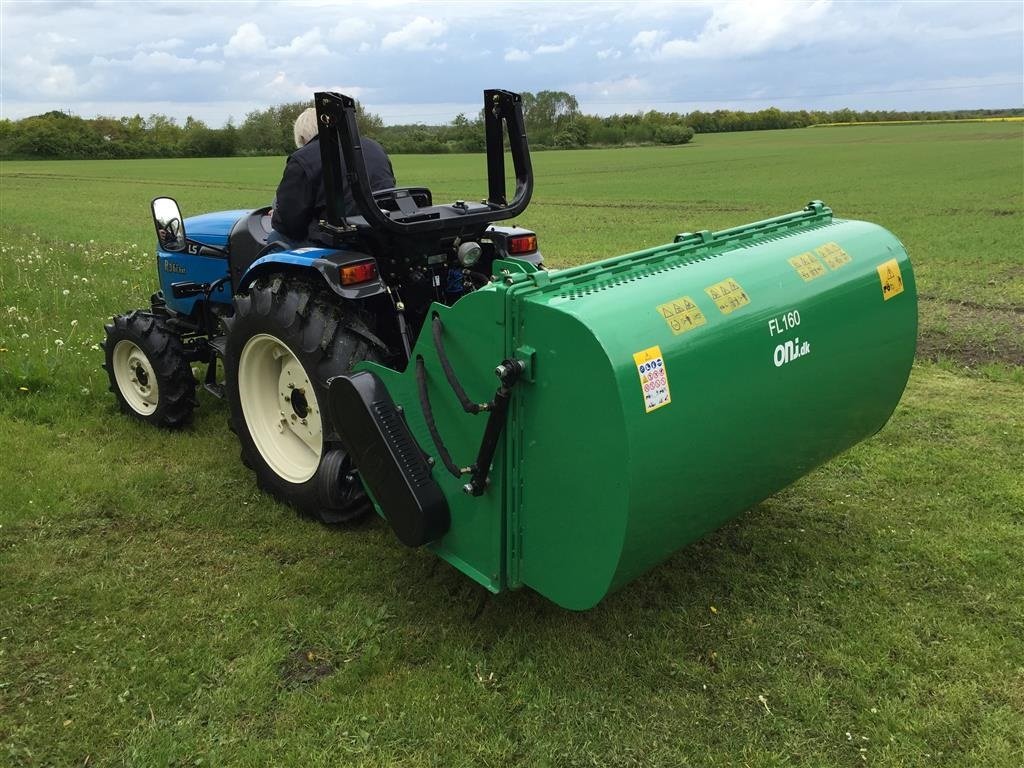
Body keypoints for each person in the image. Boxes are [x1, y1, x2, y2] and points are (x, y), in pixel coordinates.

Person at [271, 106, 396, 243]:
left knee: (276, 237)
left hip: (340, 240)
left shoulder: (302, 159)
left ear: (301, 137)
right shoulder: (374, 147)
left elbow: (291, 225)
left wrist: (276, 217)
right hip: (381, 232)